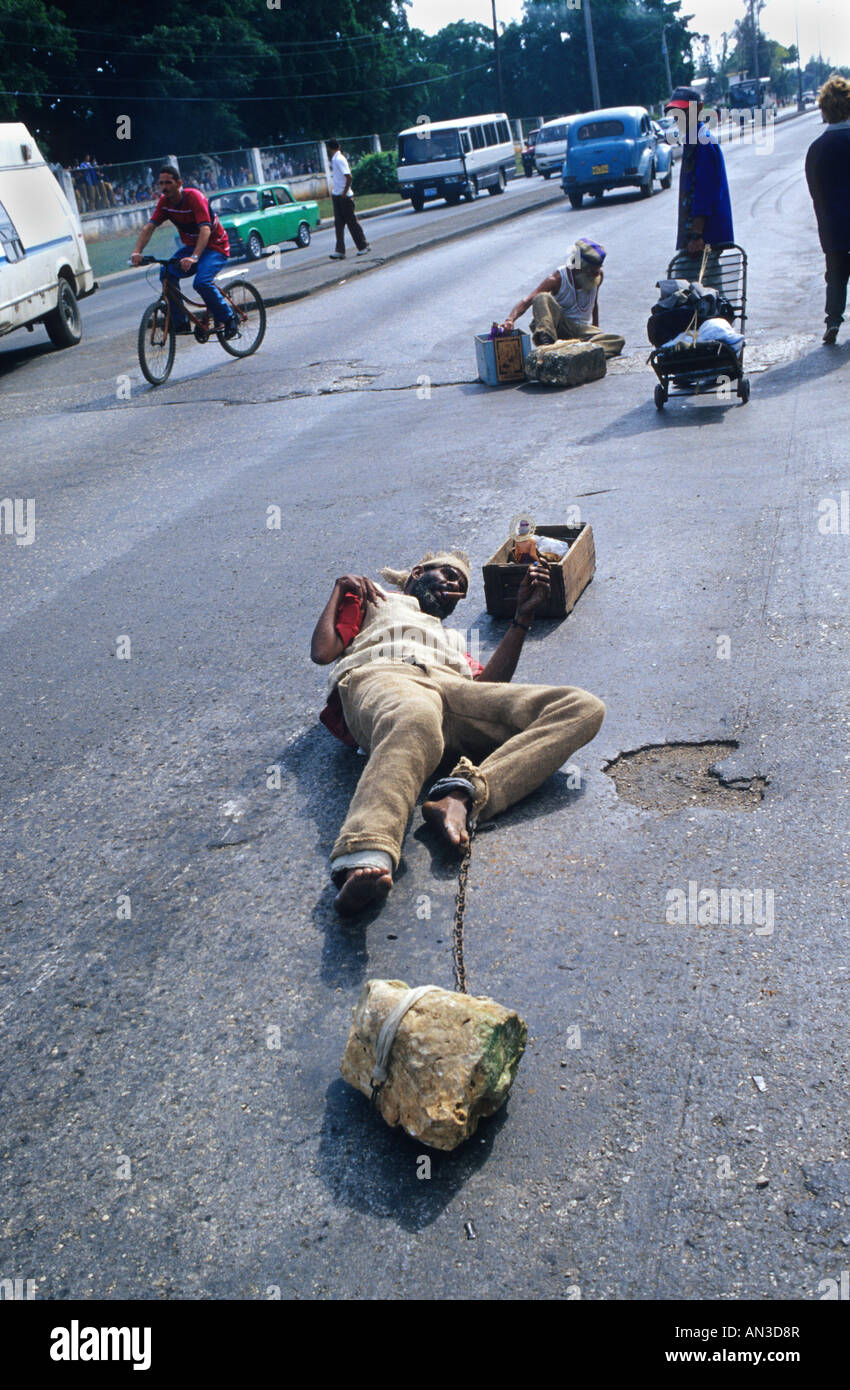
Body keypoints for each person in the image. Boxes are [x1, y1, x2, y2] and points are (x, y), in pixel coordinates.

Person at [310, 550, 605, 915]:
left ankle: (462, 794)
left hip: (452, 691)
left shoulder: (451, 639)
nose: (455, 588)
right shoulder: (376, 600)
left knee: (582, 707)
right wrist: (340, 590)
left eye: (461, 586)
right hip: (387, 676)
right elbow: (323, 652)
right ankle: (366, 853)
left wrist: (522, 618)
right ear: (417, 572)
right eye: (448, 575)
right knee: (415, 717)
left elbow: (489, 688)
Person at [130, 166, 237, 338]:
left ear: (179, 183)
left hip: (215, 246)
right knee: (165, 273)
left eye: (168, 183)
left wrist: (194, 257)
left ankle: (229, 318)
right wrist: (137, 252)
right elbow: (149, 227)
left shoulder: (194, 197)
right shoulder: (165, 203)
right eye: (161, 183)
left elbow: (205, 230)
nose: (164, 187)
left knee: (201, 283)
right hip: (191, 247)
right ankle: (180, 322)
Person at [502, 238, 625, 357]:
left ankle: (574, 351)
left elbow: (594, 304)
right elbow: (527, 300)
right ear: (580, 266)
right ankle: (548, 347)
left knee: (617, 340)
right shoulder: (557, 278)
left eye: (598, 268)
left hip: (581, 330)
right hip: (560, 327)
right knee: (542, 297)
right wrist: (510, 320)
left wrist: (596, 331)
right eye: (592, 270)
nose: (597, 273)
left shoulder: (597, 276)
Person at [805, 73, 850, 345]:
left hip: (832, 227)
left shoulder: (816, 149)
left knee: (835, 274)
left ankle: (833, 319)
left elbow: (815, 194)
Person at [664, 86, 733, 255]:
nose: (678, 118)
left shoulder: (703, 143)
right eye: (675, 113)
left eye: (684, 112)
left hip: (704, 240)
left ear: (699, 108)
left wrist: (696, 235)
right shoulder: (693, 140)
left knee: (701, 280)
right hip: (698, 238)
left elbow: (703, 193)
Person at [326, 139, 370, 260]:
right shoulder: (335, 159)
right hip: (337, 195)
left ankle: (363, 246)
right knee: (339, 224)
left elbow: (349, 177)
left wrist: (344, 193)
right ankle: (340, 251)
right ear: (338, 146)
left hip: (344, 196)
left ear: (329, 149)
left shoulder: (339, 159)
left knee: (352, 223)